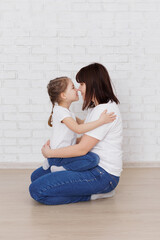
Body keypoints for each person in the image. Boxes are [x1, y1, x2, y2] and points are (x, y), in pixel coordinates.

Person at [29, 63, 123, 205]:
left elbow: (82, 149)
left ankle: (93, 195)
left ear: (93, 84)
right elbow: (83, 139)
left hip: (102, 175)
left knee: (36, 190)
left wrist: (50, 153)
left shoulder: (105, 112)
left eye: (81, 84)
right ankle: (63, 170)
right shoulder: (95, 109)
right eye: (75, 86)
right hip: (91, 167)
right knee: (35, 177)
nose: (79, 90)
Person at [32, 76, 116, 182]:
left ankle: (51, 164)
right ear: (63, 95)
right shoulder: (61, 112)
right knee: (92, 159)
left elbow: (83, 123)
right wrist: (101, 121)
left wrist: (96, 114)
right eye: (72, 87)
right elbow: (78, 129)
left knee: (36, 177)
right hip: (60, 156)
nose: (77, 89)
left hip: (62, 155)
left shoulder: (67, 112)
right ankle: (60, 168)